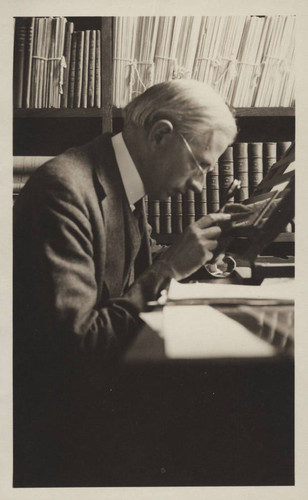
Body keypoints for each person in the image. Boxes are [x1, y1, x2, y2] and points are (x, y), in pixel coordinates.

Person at [13, 79, 240, 486]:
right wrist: (169, 268)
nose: (200, 184)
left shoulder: (119, 185)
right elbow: (78, 342)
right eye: (202, 164)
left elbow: (123, 290)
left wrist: (200, 259)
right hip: (62, 432)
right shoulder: (64, 189)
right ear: (159, 135)